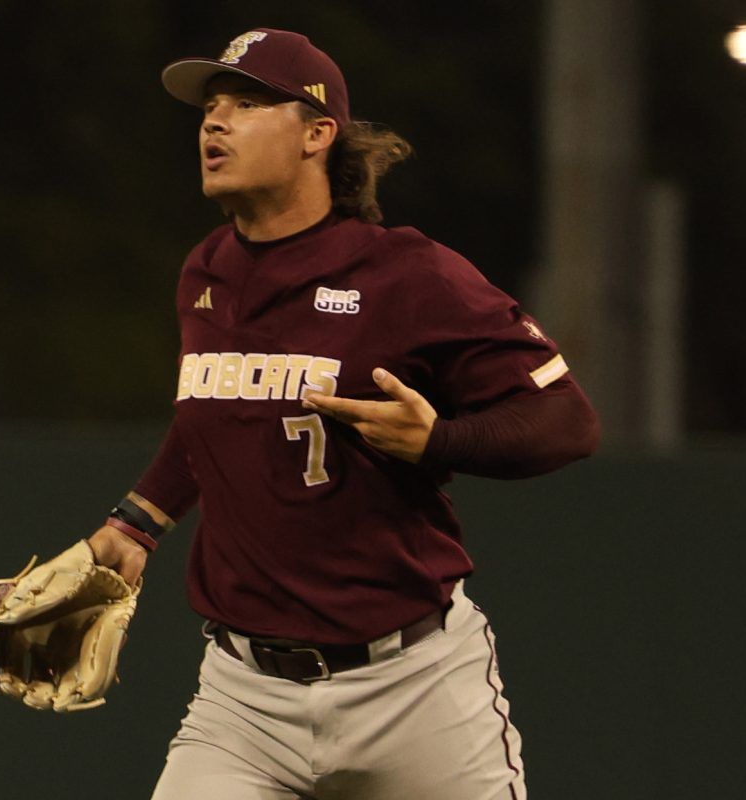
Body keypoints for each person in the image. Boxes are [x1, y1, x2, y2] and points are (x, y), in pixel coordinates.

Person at [86, 28, 600, 800]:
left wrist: (441, 440)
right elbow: (218, 411)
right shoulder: (207, 271)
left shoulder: (408, 274)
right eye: (211, 107)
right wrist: (138, 521)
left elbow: (568, 421)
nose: (214, 122)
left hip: (411, 686)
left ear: (318, 134)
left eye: (249, 104)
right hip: (244, 699)